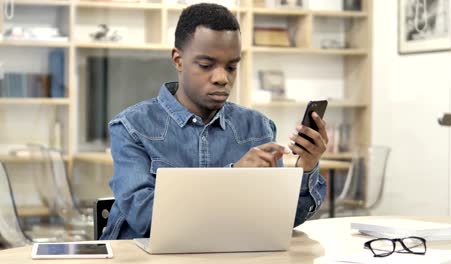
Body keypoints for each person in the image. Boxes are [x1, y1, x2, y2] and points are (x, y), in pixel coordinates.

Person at [101, 3, 328, 240]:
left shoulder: (258, 128)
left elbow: (279, 220)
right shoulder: (131, 127)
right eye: (207, 65)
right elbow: (145, 217)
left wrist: (307, 167)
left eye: (231, 67)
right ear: (178, 60)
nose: (222, 78)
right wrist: (233, 178)